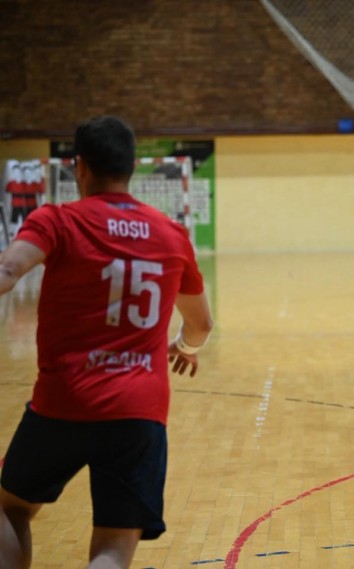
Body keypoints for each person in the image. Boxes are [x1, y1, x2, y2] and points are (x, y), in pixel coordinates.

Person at [0, 116, 214, 568]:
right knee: (113, 551)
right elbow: (201, 325)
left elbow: (9, 271)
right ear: (131, 167)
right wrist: (185, 347)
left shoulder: (57, 219)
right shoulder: (171, 234)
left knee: (10, 506)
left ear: (78, 167)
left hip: (62, 404)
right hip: (139, 413)